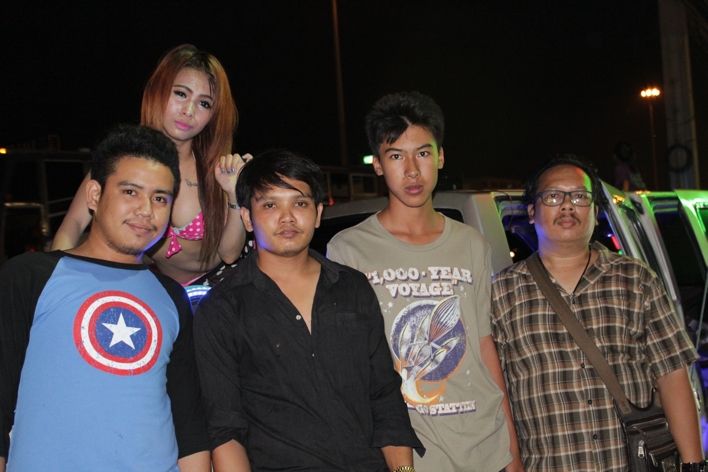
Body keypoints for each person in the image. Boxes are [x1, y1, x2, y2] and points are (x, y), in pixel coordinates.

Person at [327, 91, 523, 472]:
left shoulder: (472, 244)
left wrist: (511, 450)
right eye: (396, 156)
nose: (412, 170)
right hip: (405, 455)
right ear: (378, 165)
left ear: (441, 156)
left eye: (423, 153)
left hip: (485, 449)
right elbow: (350, 370)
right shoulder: (347, 250)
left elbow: (484, 347)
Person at [193, 150, 424, 471]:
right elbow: (225, 429)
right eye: (270, 205)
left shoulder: (353, 288)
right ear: (247, 217)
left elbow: (384, 395)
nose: (287, 217)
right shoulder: (222, 308)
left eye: (299, 203)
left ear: (317, 213)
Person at [0, 125, 210, 472]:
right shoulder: (29, 276)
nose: (146, 210)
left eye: (160, 198)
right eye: (130, 191)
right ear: (94, 195)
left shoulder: (172, 296)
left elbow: (189, 424)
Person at [491, 155, 703, 470]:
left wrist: (693, 464)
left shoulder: (636, 279)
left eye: (580, 196)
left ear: (596, 210)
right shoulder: (502, 292)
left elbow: (672, 375)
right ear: (532, 212)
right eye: (553, 196)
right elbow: (497, 396)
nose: (567, 205)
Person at [52, 44, 249, 286]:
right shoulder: (121, 160)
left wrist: (234, 193)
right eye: (181, 94)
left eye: (204, 103)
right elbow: (71, 226)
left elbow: (229, 255)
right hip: (165, 290)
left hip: (225, 283)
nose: (188, 111)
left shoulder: (217, 170)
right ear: (158, 91)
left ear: (213, 116)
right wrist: (56, 283)